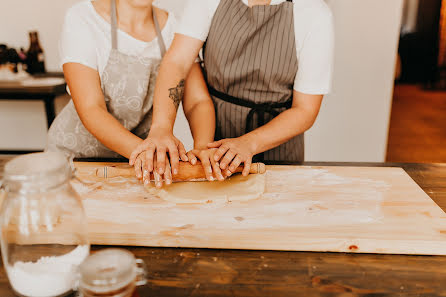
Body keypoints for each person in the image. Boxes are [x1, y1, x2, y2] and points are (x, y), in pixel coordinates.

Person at [130, 0, 334, 187]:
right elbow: (177, 62)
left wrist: (249, 143)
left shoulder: (314, 14)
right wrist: (161, 128)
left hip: (279, 152)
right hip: (214, 143)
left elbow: (305, 110)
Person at [46, 0, 214, 184]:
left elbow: (197, 101)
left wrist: (202, 148)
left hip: (134, 165)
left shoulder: (174, 27)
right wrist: (146, 153)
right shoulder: (83, 18)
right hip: (77, 160)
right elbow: (91, 108)